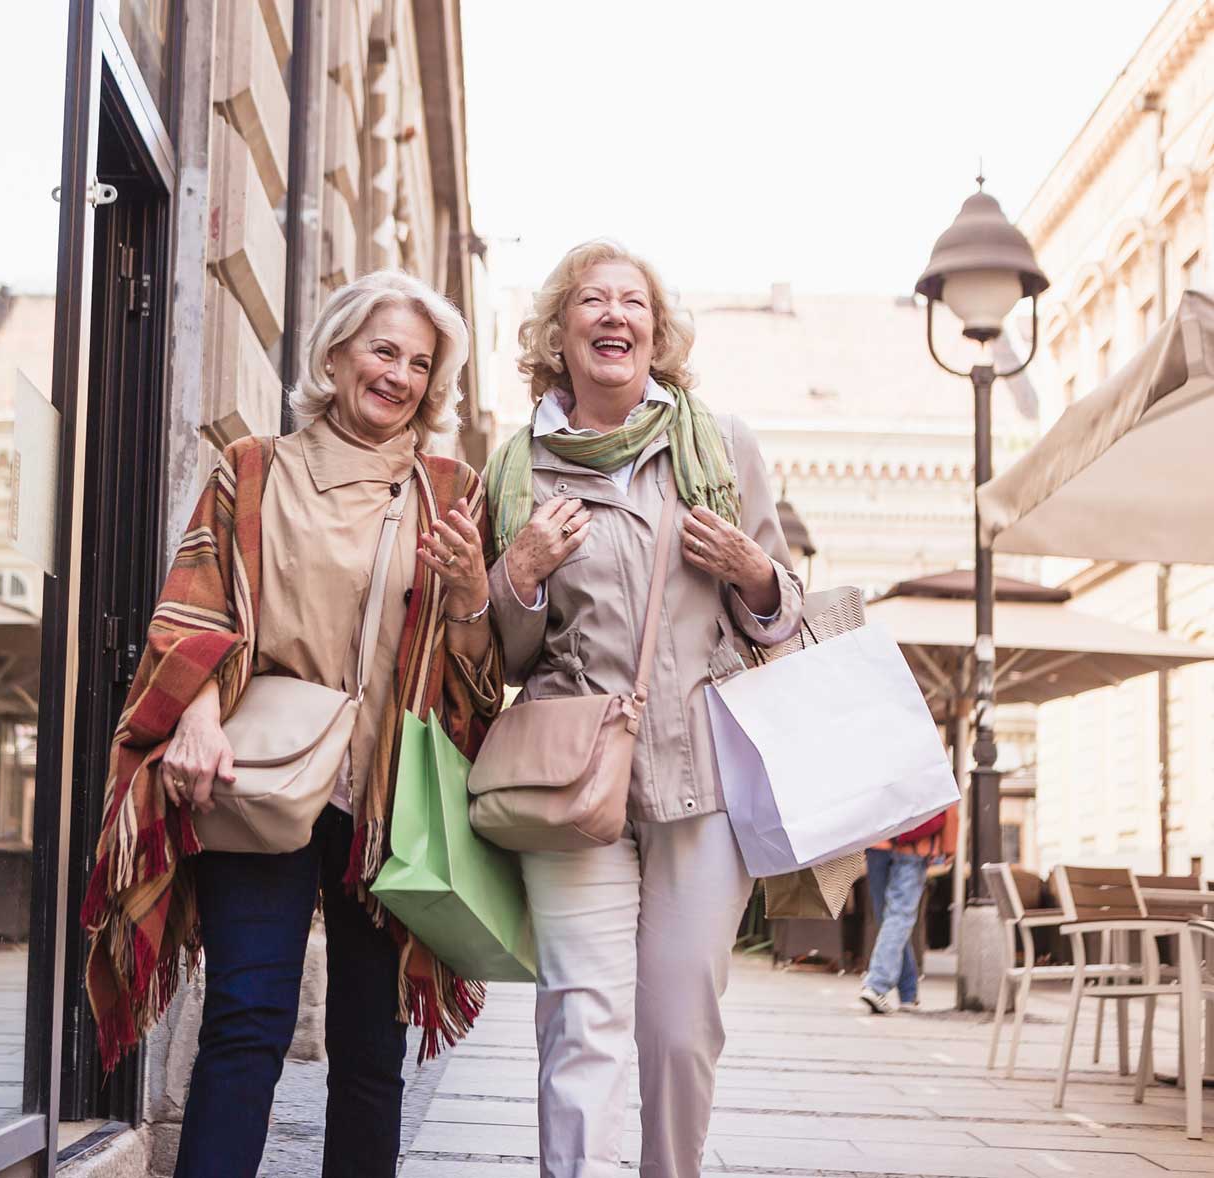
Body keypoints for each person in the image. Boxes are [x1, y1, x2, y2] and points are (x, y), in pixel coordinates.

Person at [81, 270, 502, 1178]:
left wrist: (471, 592)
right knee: (245, 1021)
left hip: (389, 797)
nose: (399, 376)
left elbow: (481, 666)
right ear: (337, 352)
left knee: (370, 1048)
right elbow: (194, 608)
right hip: (260, 775)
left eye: (420, 365)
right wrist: (194, 714)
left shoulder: (452, 489)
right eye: (384, 350)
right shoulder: (253, 469)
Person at [483, 240, 804, 1178]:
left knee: (677, 1028)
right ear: (560, 331)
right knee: (582, 1019)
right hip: (570, 772)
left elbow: (784, 615)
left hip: (700, 773)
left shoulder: (719, 444)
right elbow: (500, 656)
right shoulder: (518, 469)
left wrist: (752, 572)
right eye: (593, 300)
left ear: (657, 335)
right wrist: (521, 576)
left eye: (634, 303)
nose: (614, 315)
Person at [859, 805, 957, 1014]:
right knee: (896, 918)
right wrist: (949, 847)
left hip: (880, 841)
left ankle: (898, 990)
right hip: (913, 846)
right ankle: (881, 986)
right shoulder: (934, 771)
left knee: (892, 919)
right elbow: (949, 803)